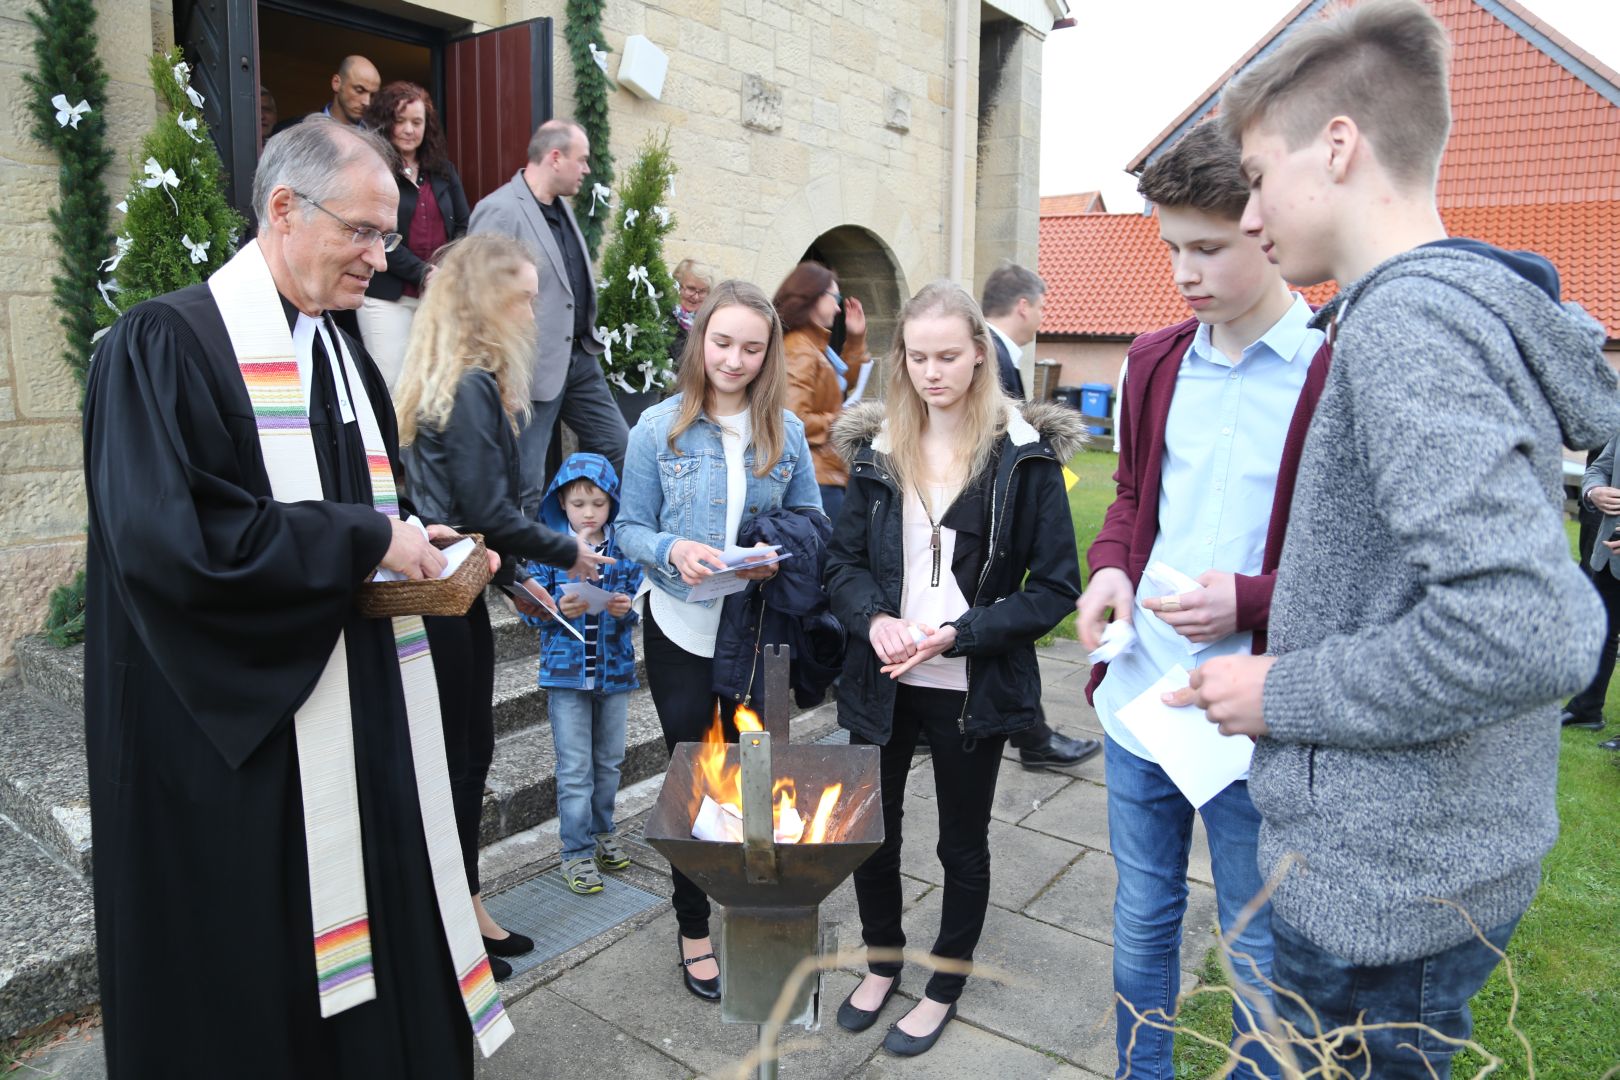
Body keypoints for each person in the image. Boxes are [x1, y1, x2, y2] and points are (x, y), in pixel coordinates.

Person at [1177, 1, 1620, 1074]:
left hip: (1385, 890)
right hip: (1422, 858)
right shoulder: (1432, 310)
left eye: (1258, 174)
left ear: (1338, 145)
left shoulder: (1410, 326)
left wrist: (1281, 692)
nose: (1249, 218)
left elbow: (1524, 630)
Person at [82, 118, 512, 1077]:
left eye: (389, 236)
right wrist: (366, 537)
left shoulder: (339, 355)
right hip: (234, 741)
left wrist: (411, 543)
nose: (382, 258)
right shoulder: (165, 346)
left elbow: (359, 508)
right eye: (362, 232)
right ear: (283, 209)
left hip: (350, 712)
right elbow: (180, 551)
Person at [1076, 120, 1333, 1080]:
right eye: (1171, 247)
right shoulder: (1153, 360)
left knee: (1257, 936)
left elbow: (1354, 565)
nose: (1184, 271)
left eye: (1208, 248)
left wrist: (1252, 598)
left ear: (1266, 228)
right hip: (1144, 695)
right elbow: (1134, 497)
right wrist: (1108, 569)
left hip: (1253, 713)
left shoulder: (1330, 370)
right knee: (1142, 912)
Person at [825, 281, 1084, 1058]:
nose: (932, 372)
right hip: (884, 680)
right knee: (872, 833)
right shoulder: (878, 447)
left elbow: (1057, 589)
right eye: (917, 356)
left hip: (970, 687)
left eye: (948, 356)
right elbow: (841, 564)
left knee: (960, 844)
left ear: (979, 353)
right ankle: (881, 962)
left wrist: (960, 633)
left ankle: (943, 978)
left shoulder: (1022, 456)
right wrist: (875, 620)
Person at [395, 233, 612, 982]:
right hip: (445, 605)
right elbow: (488, 509)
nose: (533, 308)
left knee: (461, 759)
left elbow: (456, 509)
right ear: (487, 300)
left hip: (442, 592)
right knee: (462, 761)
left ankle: (468, 908)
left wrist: (511, 571)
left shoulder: (443, 376)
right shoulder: (474, 384)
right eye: (522, 294)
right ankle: (456, 929)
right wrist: (566, 553)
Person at [615, 280, 822, 1003]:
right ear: (700, 340)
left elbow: (812, 524)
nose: (735, 359)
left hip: (756, 630)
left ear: (769, 354)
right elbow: (626, 529)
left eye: (752, 347)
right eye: (723, 341)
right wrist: (672, 547)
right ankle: (692, 926)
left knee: (755, 778)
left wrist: (776, 554)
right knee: (695, 781)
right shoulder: (657, 428)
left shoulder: (785, 431)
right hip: (679, 625)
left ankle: (756, 914)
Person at [469, 119, 628, 511]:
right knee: (524, 479)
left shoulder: (561, 209)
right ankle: (517, 568)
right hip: (527, 367)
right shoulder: (499, 210)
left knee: (620, 446)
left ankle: (610, 540)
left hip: (580, 359)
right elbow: (476, 296)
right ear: (555, 157)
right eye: (582, 160)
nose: (587, 169)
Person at [981, 262, 1101, 772]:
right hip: (986, 516)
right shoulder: (992, 355)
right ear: (1024, 305)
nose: (1041, 319)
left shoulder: (995, 351)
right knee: (999, 617)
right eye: (1042, 307)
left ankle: (1031, 732)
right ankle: (1033, 737)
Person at [519, 453, 645, 894]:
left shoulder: (625, 550)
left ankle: (602, 831)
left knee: (609, 763)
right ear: (561, 505)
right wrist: (556, 609)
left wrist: (626, 609)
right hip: (565, 678)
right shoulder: (546, 550)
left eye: (598, 502)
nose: (589, 512)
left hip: (614, 675)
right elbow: (531, 614)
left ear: (613, 502)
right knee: (575, 768)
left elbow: (636, 604)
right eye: (577, 504)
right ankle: (576, 851)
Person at [358, 82, 470, 390]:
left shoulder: (443, 171)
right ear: (386, 122)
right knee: (394, 386)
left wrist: (446, 269)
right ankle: (394, 441)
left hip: (437, 296)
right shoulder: (373, 170)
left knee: (436, 386)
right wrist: (424, 272)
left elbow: (463, 225)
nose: (409, 129)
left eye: (417, 122)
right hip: (387, 297)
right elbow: (378, 235)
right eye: (401, 120)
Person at [774, 261, 868, 523]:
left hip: (824, 475)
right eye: (835, 297)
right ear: (813, 296)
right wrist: (842, 421)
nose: (838, 307)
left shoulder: (813, 345)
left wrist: (856, 339)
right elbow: (794, 420)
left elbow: (840, 382)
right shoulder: (800, 349)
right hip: (817, 479)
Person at [1567, 433, 1620, 743]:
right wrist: (1593, 491)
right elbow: (1599, 467)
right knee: (1602, 628)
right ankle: (1587, 708)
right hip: (1609, 549)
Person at [270, 55, 379, 136]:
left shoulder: (379, 141)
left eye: (372, 95)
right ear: (336, 83)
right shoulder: (293, 130)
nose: (367, 102)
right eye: (359, 90)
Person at [668, 257, 715, 364]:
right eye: (691, 289)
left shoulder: (710, 321)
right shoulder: (663, 317)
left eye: (703, 291)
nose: (696, 297)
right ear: (677, 286)